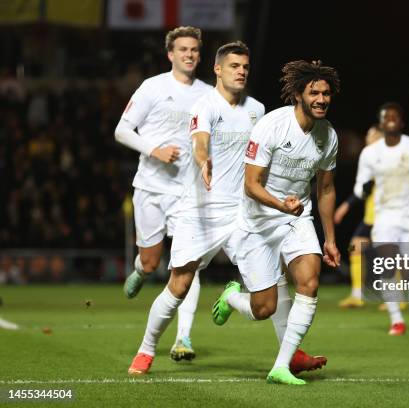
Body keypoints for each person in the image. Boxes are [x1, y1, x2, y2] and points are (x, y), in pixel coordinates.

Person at [127, 43, 326, 376]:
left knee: (274, 281)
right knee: (180, 283)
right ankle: (145, 351)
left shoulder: (257, 109)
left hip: (244, 212)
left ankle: (291, 355)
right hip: (200, 211)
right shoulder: (205, 105)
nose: (241, 71)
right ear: (218, 70)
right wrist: (204, 160)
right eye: (234, 66)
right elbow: (200, 141)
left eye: (245, 66)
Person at [212, 60, 341, 385]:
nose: (322, 99)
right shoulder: (272, 126)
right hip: (258, 221)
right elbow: (251, 185)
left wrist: (329, 239)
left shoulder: (328, 136)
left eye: (326, 93)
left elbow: (325, 188)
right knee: (264, 308)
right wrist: (281, 204)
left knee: (309, 281)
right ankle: (231, 297)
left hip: (297, 218)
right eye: (315, 92)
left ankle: (281, 367)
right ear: (299, 94)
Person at [114, 26, 213, 361]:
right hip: (151, 189)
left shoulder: (208, 94)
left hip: (188, 193)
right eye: (183, 49)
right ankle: (141, 269)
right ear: (170, 54)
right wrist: (154, 149)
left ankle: (183, 338)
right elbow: (122, 130)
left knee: (188, 265)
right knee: (152, 260)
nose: (189, 55)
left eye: (194, 50)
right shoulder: (152, 87)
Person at [353, 102, 409, 335]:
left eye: (395, 115)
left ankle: (399, 302)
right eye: (386, 116)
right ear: (382, 123)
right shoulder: (370, 153)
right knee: (386, 265)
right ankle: (396, 319)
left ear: (401, 121)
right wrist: (363, 190)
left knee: (408, 271)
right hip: (385, 217)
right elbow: (358, 187)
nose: (390, 119)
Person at [334, 125, 382, 308]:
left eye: (371, 134)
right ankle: (357, 295)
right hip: (371, 216)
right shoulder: (369, 158)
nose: (367, 137)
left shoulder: (387, 157)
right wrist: (345, 207)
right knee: (356, 247)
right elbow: (362, 190)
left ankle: (398, 299)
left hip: (387, 215)